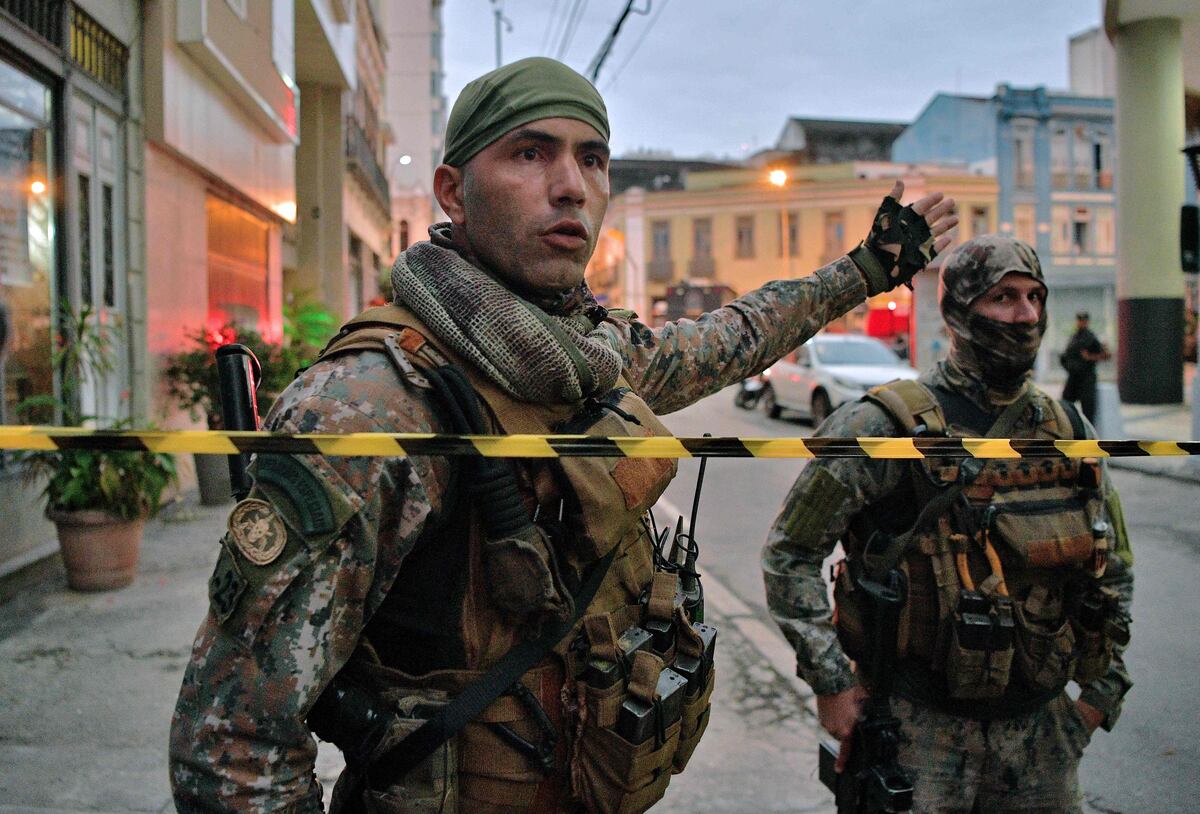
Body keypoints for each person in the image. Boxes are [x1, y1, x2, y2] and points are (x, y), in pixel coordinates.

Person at [169, 57, 957, 813]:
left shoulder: (587, 356)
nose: (571, 186)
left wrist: (863, 270)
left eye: (592, 159)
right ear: (453, 191)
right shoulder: (371, 404)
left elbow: (729, 340)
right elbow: (236, 739)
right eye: (529, 153)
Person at [762, 235, 1133, 814]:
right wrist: (831, 683)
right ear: (958, 310)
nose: (1027, 315)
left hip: (1041, 735)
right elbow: (790, 553)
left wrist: (1100, 697)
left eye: (1036, 297)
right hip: (918, 732)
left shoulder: (1064, 426)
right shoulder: (886, 425)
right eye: (1004, 297)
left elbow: (1112, 566)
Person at [1061, 311, 1110, 424]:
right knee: (1065, 405)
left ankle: (1089, 437)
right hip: (1073, 376)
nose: (1081, 323)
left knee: (1088, 409)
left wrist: (1090, 357)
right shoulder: (1074, 337)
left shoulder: (1091, 337)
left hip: (1086, 377)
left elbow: (1106, 355)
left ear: (1087, 322)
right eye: (1079, 320)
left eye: (1083, 321)